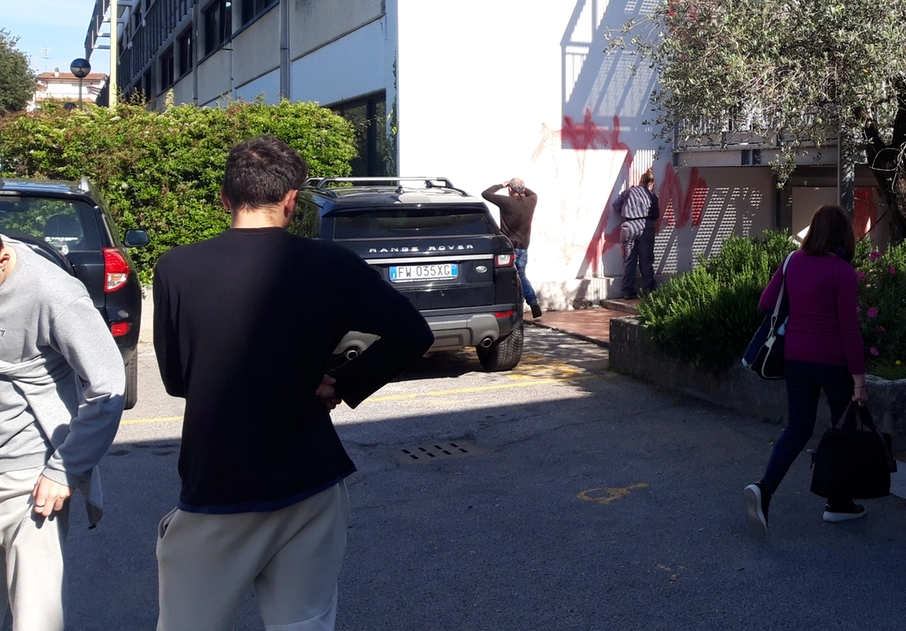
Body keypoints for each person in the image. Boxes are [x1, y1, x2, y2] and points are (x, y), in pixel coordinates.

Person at [152, 136, 435, 631]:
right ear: (291, 199)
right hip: (310, 476)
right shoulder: (331, 264)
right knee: (304, 623)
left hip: (217, 480)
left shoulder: (176, 267)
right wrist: (341, 384)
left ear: (224, 198)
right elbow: (413, 332)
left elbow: (177, 380)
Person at [0, 235, 125, 630]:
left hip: (27, 479)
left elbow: (107, 387)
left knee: (35, 618)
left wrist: (65, 469)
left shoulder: (51, 290)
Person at [743, 205, 868, 533]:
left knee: (798, 427)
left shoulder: (792, 261)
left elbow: (765, 303)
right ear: (843, 234)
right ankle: (839, 503)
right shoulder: (842, 272)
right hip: (834, 362)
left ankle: (764, 488)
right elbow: (849, 329)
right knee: (843, 431)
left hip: (795, 358)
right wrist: (859, 380)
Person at [483, 178, 542, 319]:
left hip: (508, 248)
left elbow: (486, 193)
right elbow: (531, 192)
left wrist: (502, 185)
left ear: (510, 189)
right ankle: (531, 302)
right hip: (523, 247)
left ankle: (514, 306)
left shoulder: (506, 202)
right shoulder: (532, 200)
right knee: (521, 275)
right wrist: (521, 187)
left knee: (504, 276)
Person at [612, 170, 660, 298]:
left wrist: (630, 212)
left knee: (629, 260)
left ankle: (628, 291)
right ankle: (650, 289)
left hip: (628, 227)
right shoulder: (652, 196)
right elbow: (656, 215)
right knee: (646, 260)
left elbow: (616, 207)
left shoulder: (628, 192)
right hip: (646, 227)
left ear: (641, 181)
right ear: (651, 183)